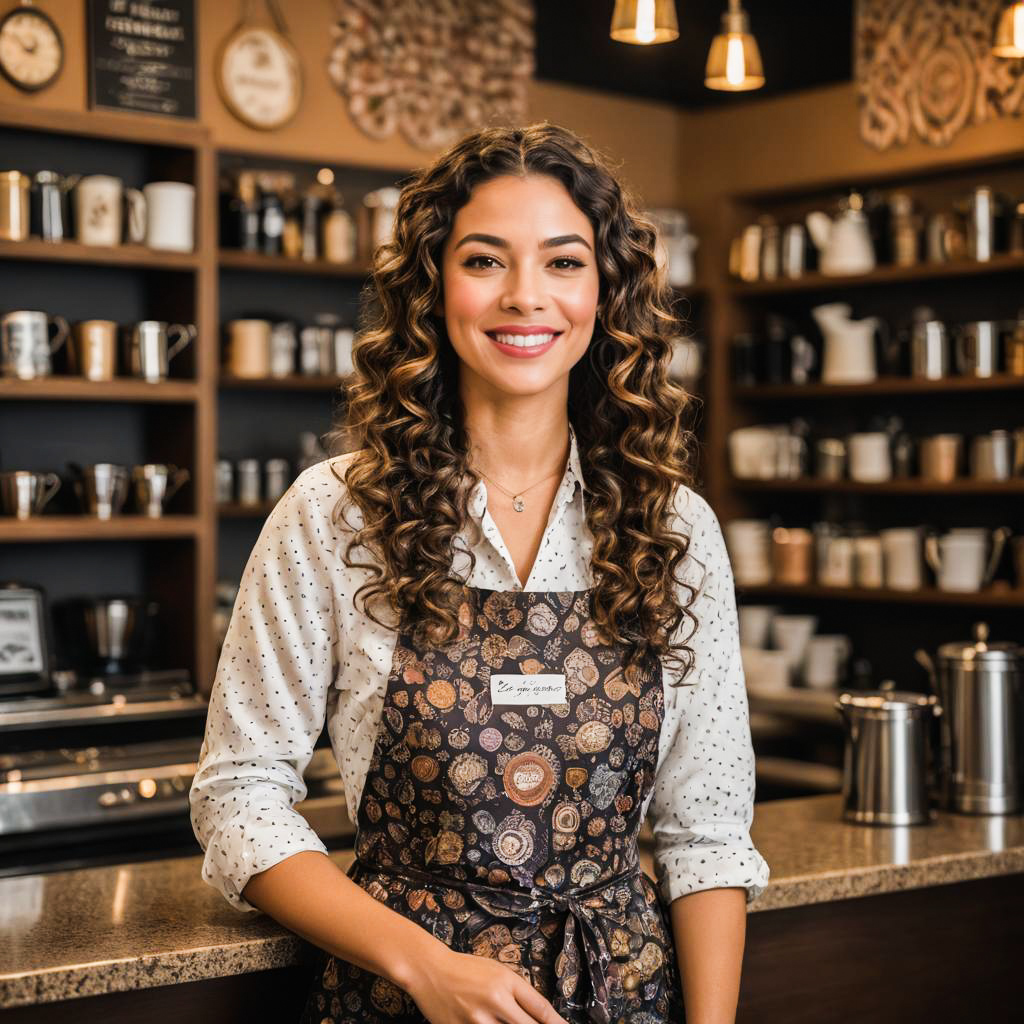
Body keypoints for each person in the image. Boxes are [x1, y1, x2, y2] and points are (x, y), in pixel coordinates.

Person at [190, 121, 770, 1024]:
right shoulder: (332, 515)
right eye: (485, 261)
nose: (526, 297)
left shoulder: (675, 531)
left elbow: (707, 834)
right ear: (433, 285)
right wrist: (427, 967)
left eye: (565, 263)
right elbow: (237, 797)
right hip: (399, 1003)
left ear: (607, 292)